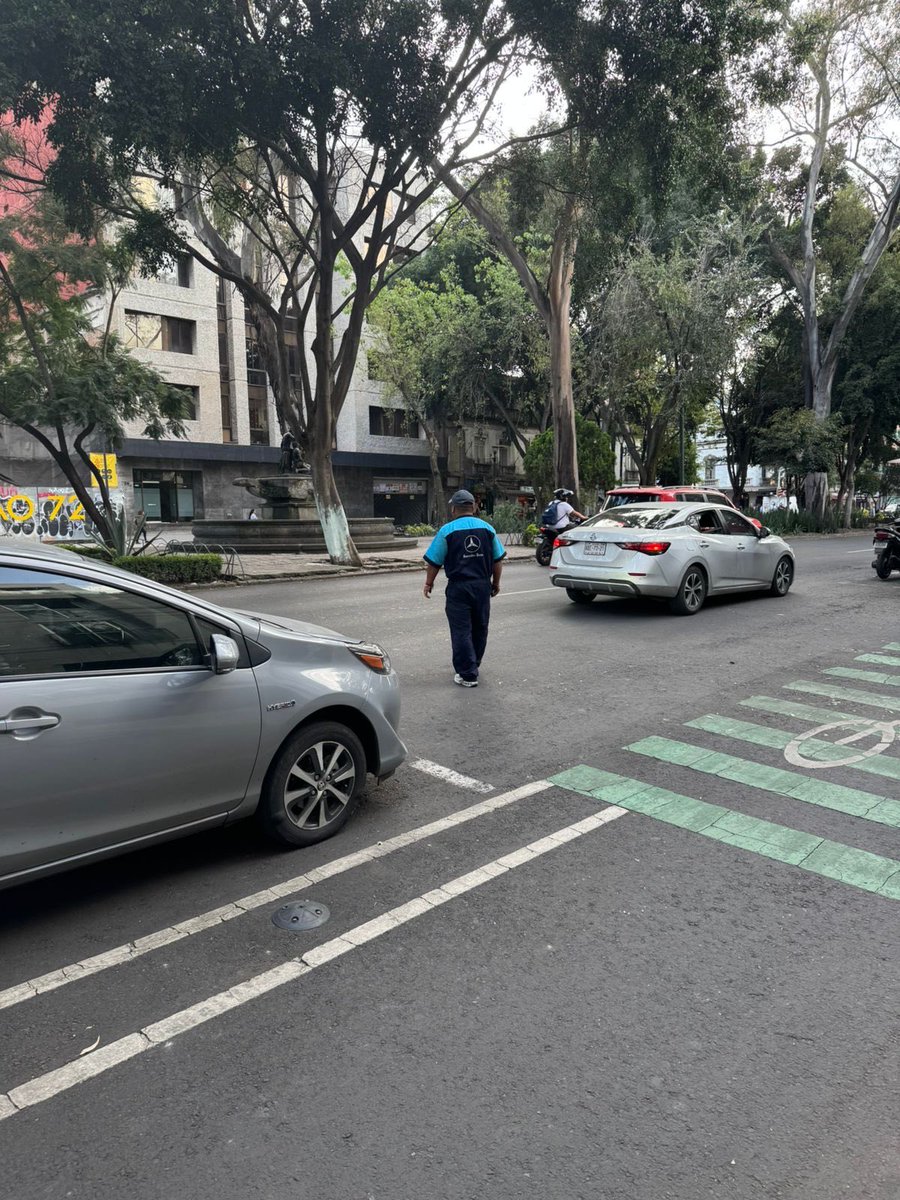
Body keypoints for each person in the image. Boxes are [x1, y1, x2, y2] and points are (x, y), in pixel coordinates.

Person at [422, 489, 505, 688]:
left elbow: (434, 562)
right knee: (480, 626)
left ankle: (468, 674)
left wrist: (428, 583)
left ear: (453, 509)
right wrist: (495, 583)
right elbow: (497, 559)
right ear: (474, 507)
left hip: (459, 587)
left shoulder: (447, 531)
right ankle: (473, 663)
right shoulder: (488, 529)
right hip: (482, 585)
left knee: (461, 629)